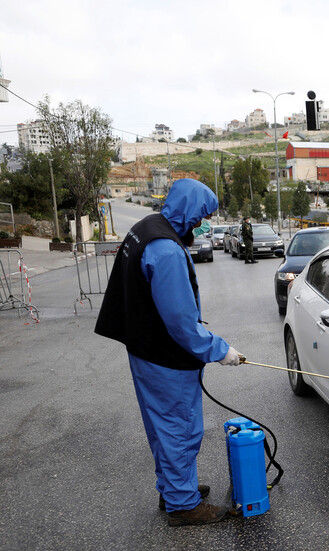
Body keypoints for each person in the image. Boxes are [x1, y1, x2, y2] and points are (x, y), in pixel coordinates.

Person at [95, 178, 242, 526]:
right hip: (165, 357)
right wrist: (220, 351)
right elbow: (180, 322)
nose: (201, 223)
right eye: (201, 215)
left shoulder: (146, 227)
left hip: (144, 348)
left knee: (163, 426)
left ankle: (174, 489)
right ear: (190, 210)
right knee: (180, 428)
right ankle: (182, 505)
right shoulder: (166, 251)